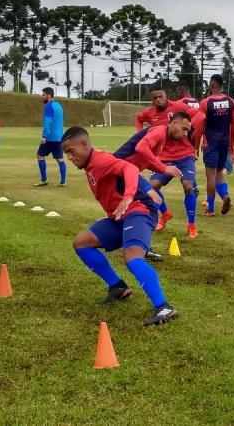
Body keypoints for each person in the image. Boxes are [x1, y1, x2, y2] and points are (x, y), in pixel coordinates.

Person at [64, 126, 178, 326]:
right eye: (66, 153)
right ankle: (118, 287)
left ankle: (164, 306)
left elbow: (129, 168)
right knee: (81, 243)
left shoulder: (99, 160)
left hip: (138, 210)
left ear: (84, 144)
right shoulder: (91, 162)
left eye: (71, 151)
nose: (69, 158)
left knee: (132, 256)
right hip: (118, 217)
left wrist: (129, 195)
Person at [118, 111, 203, 239]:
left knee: (144, 201)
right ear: (173, 123)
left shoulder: (164, 135)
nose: (185, 134)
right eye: (184, 129)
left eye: (187, 131)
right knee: (145, 200)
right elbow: (141, 148)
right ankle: (139, 238)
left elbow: (145, 159)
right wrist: (163, 167)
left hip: (129, 170)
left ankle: (188, 224)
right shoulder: (160, 131)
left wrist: (163, 169)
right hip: (122, 169)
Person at [199, 74, 234, 216]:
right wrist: (232, 144)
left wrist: (196, 145)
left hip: (211, 142)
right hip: (224, 141)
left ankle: (210, 210)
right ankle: (225, 195)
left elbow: (199, 126)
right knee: (220, 172)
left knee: (210, 176)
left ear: (212, 85)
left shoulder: (205, 102)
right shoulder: (231, 102)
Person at [35, 87, 66, 187]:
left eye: (43, 95)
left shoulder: (48, 106)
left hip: (49, 137)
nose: (42, 97)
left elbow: (48, 122)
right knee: (60, 159)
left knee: (40, 155)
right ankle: (63, 182)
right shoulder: (59, 106)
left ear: (48, 95)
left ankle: (44, 180)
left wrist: (44, 136)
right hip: (59, 137)